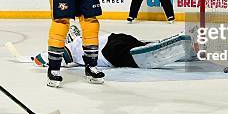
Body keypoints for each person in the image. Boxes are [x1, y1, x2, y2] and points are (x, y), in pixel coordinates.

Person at [31, 25, 194, 69]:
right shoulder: (83, 37)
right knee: (145, 46)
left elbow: (54, 57)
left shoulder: (73, 47)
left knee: (146, 56)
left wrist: (42, 57)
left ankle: (177, 39)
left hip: (109, 53)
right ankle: (186, 46)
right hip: (116, 38)